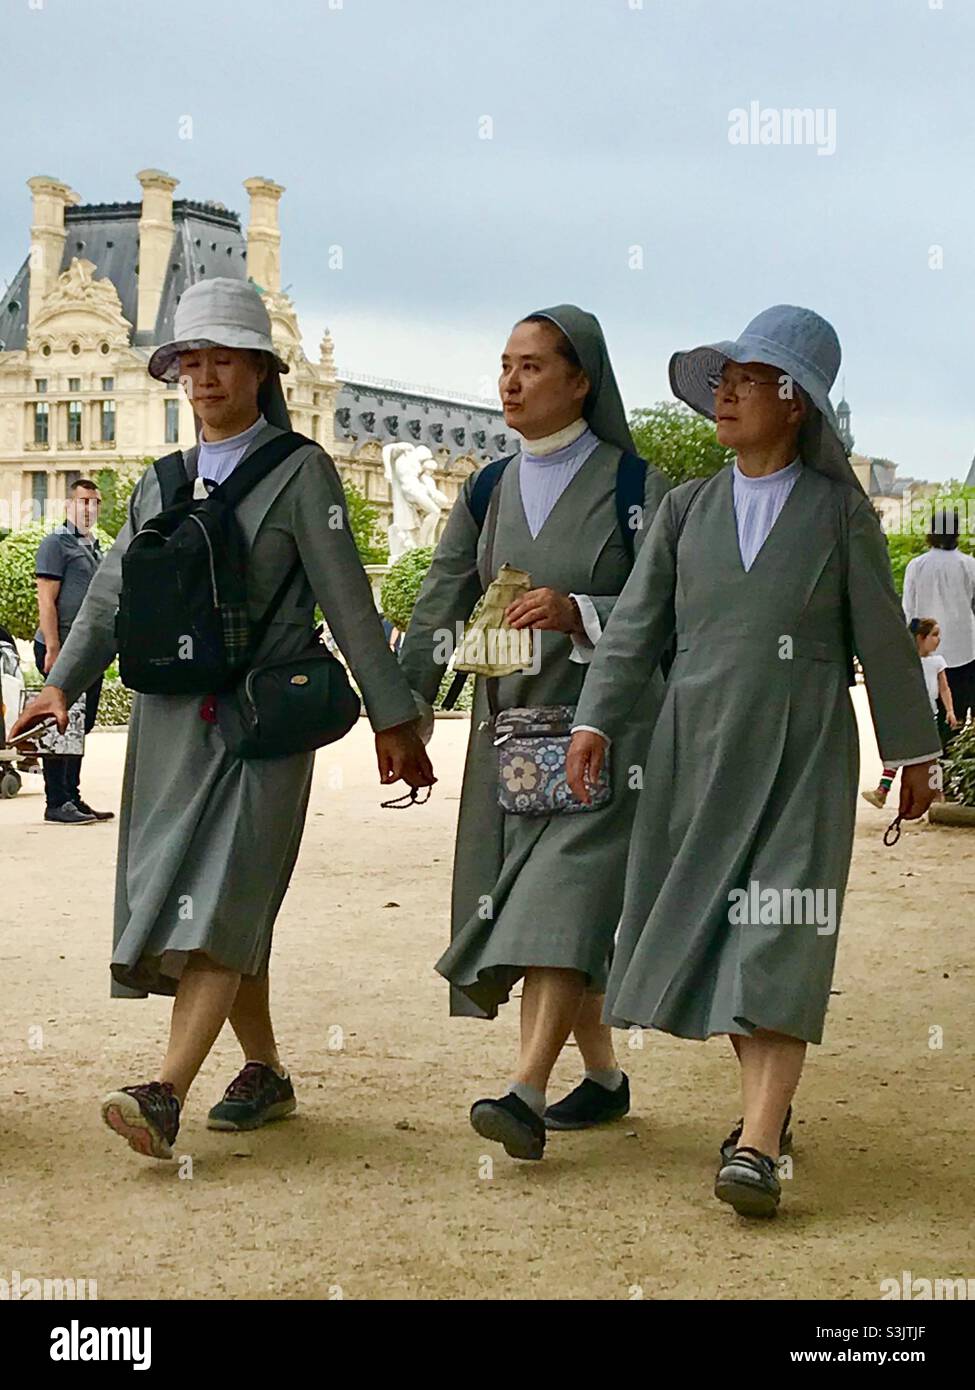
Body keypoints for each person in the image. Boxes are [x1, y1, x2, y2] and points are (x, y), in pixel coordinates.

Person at [11, 278, 434, 1161]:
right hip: (170, 719)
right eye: (190, 361)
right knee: (207, 894)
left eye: (222, 360)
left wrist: (395, 718)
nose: (204, 377)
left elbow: (348, 601)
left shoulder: (302, 470)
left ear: (259, 370)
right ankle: (268, 1073)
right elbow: (115, 595)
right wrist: (59, 683)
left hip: (260, 719)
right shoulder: (159, 481)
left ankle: (163, 1091)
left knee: (225, 892)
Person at [567, 305, 940, 1217]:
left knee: (781, 934)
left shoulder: (840, 515)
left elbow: (885, 642)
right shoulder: (683, 509)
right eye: (723, 378)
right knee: (728, 934)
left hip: (803, 749)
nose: (728, 393)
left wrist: (914, 754)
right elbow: (634, 633)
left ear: (797, 403)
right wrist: (595, 723)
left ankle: (759, 1145)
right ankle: (764, 1118)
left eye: (750, 379)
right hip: (691, 750)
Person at [398, 305, 670, 1161]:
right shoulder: (484, 487)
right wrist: (402, 712)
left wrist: (580, 611)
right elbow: (440, 597)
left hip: (605, 736)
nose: (510, 382)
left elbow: (674, 612)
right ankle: (605, 1079)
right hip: (507, 738)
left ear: (581, 380)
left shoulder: (639, 488)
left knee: (559, 896)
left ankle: (522, 1091)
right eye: (504, 365)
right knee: (552, 908)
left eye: (531, 366)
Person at [33, 478, 112, 825]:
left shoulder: (94, 547)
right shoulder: (56, 543)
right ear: (68, 505)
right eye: (83, 502)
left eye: (95, 502)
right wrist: (53, 647)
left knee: (81, 724)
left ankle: (73, 796)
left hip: (86, 653)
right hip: (61, 648)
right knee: (59, 724)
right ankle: (56, 801)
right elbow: (46, 600)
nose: (89, 508)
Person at [862, 617, 958, 808]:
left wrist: (950, 710)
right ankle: (883, 790)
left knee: (933, 757)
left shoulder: (938, 662)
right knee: (900, 751)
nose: (938, 639)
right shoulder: (906, 662)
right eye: (934, 635)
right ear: (921, 637)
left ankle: (937, 792)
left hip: (929, 716)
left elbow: (944, 688)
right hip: (908, 715)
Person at [903, 507, 975, 726]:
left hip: (928, 655)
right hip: (966, 652)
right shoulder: (969, 565)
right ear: (956, 533)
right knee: (960, 716)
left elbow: (908, 611)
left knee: (934, 719)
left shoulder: (916, 566)